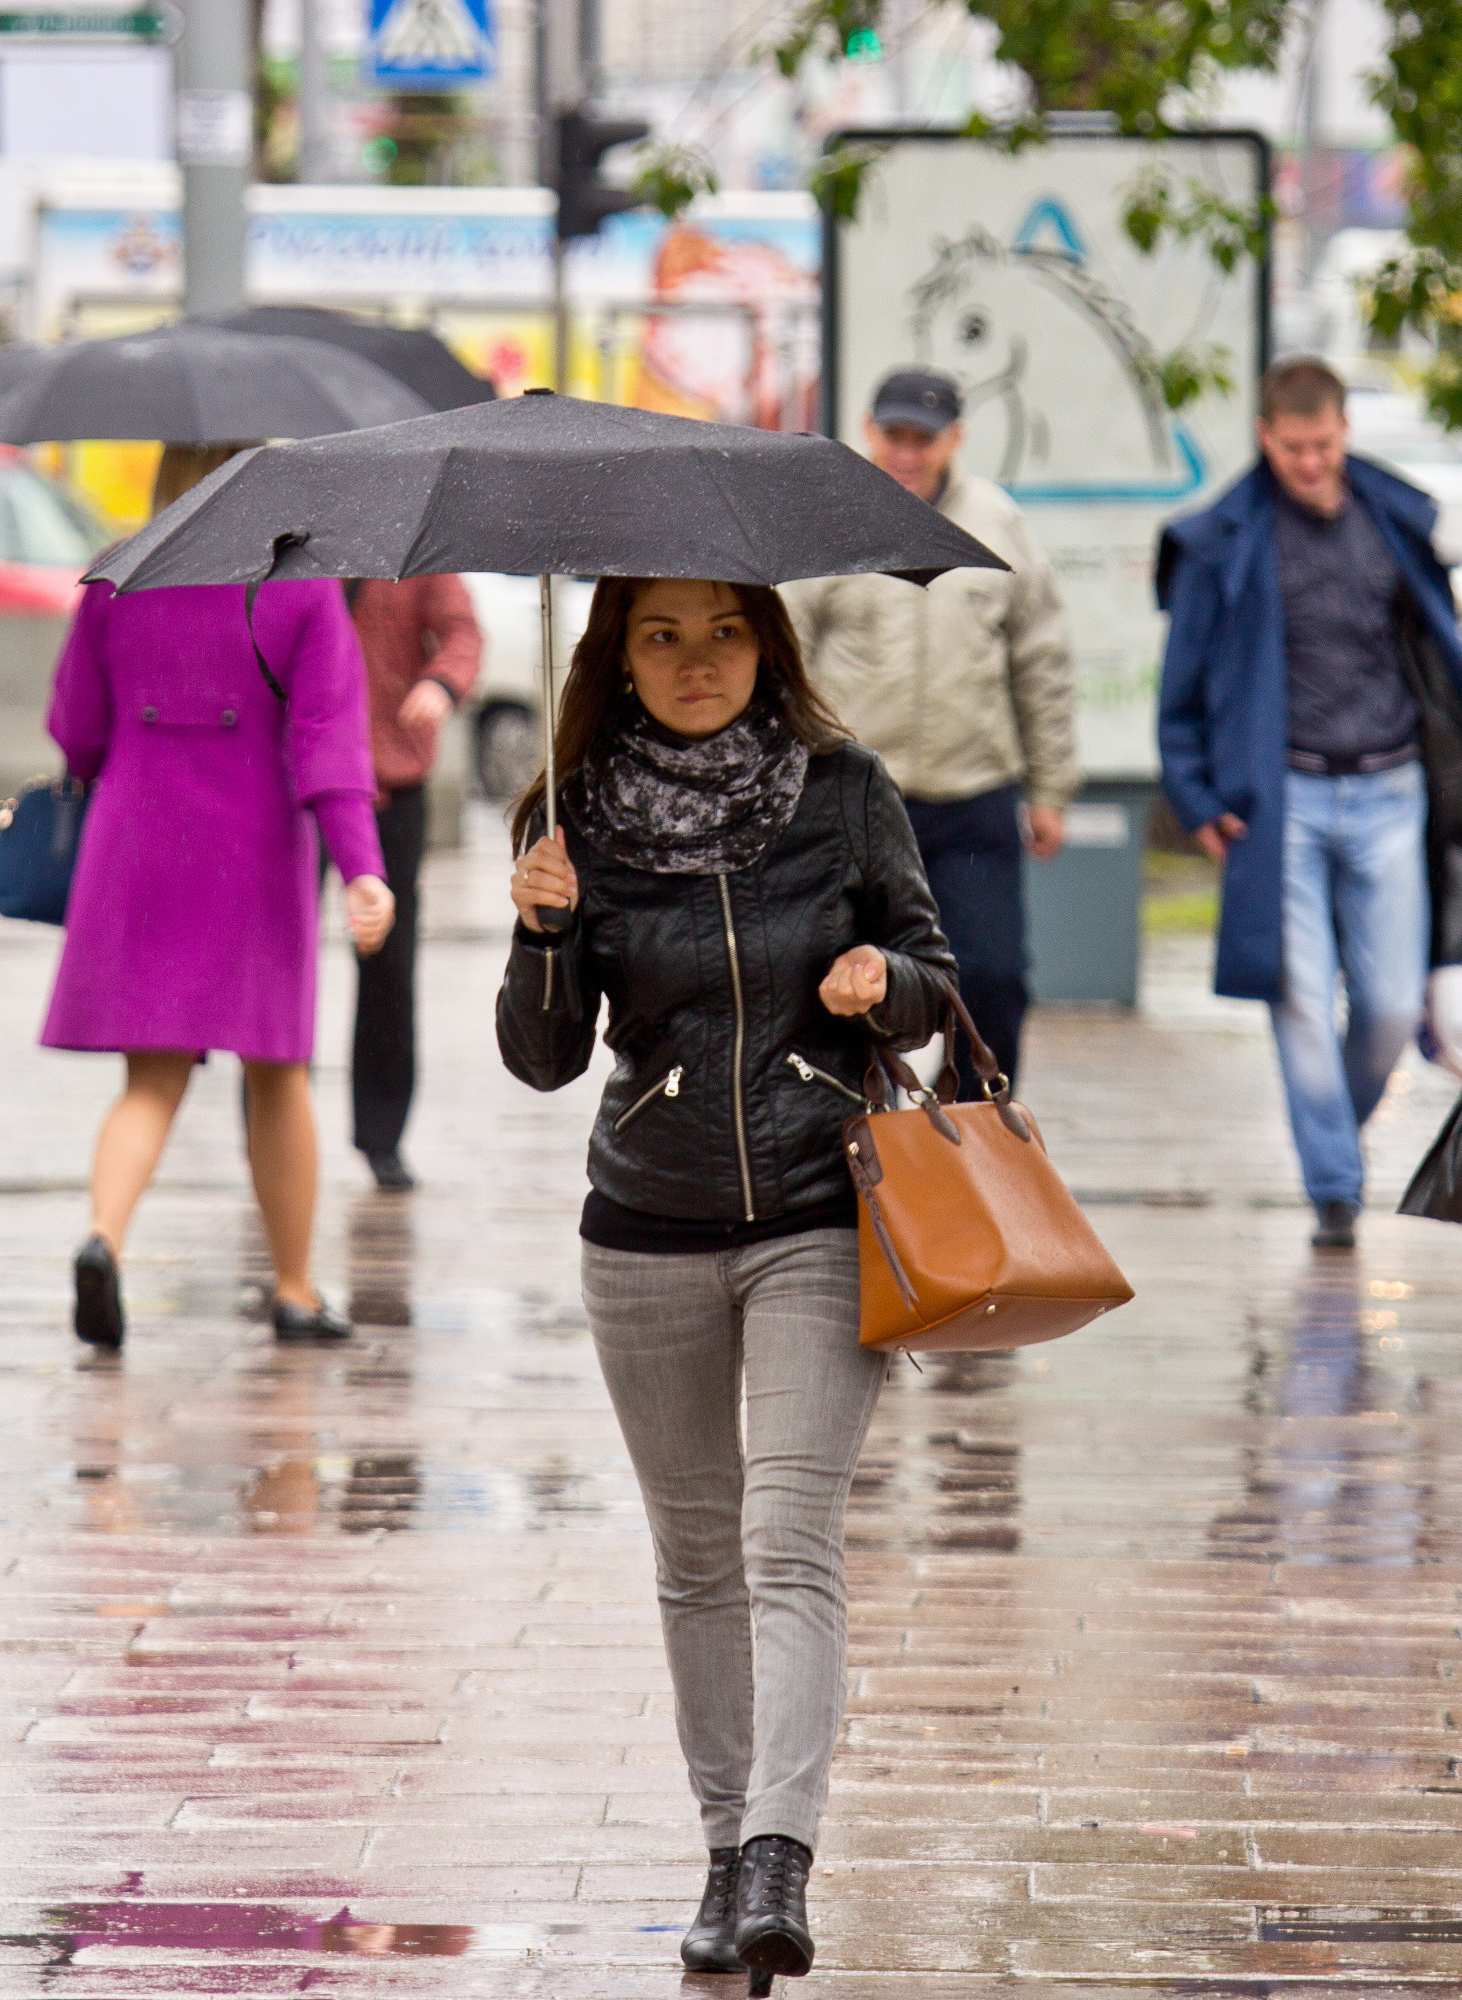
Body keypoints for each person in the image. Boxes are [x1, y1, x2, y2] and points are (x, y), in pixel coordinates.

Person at [498, 576, 956, 1990]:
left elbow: (942, 977)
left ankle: (778, 1855)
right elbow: (541, 1056)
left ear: (770, 643)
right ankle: (719, 1851)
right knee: (696, 1558)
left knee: (788, 1537)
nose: (696, 661)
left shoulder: (845, 789)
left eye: (724, 631)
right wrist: (544, 928)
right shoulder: (566, 814)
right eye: (660, 635)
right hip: (643, 1228)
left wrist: (888, 979)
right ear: (615, 659)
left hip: (822, 1209)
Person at [43, 444, 396, 1351]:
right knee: (277, 1073)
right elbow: (327, 741)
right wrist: (362, 866)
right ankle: (292, 1287)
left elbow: (75, 728)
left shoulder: (115, 579)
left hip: (137, 841)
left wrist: (105, 769)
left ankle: (103, 1238)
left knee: (150, 1081)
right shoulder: (301, 590)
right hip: (254, 845)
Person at [1154, 356, 1462, 1249]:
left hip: (1392, 792)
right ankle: (1335, 1187)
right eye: (1294, 448)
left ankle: (1330, 1137)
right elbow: (1180, 690)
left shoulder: (1393, 521)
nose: (1311, 463)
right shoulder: (1226, 542)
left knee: (1387, 1005)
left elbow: (1442, 656)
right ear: (1266, 438)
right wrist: (1194, 797)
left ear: (1346, 432)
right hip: (1283, 802)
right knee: (1300, 1000)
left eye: (1326, 445)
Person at [783, 369, 1077, 1085]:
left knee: (995, 980)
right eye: (894, 435)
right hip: (852, 803)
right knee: (838, 984)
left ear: (957, 439)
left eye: (925, 437)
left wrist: (1050, 789)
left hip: (971, 797)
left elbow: (1040, 657)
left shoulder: (997, 522)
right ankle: (850, 1132)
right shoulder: (830, 521)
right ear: (867, 429)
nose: (908, 452)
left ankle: (983, 1143)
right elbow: (783, 655)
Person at [342, 574, 483, 1191]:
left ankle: (382, 1137)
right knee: (277, 958)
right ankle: (267, 1123)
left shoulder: (409, 550)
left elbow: (462, 631)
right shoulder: (296, 540)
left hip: (391, 784)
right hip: (302, 778)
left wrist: (441, 682)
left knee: (389, 964)